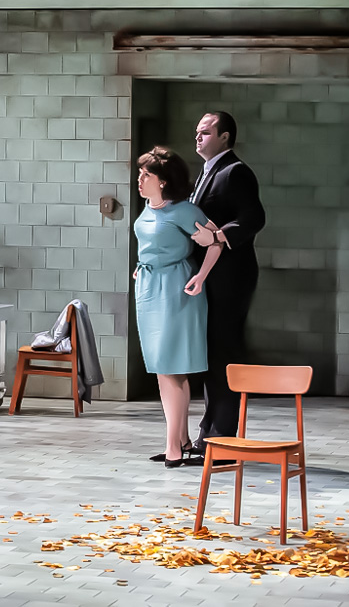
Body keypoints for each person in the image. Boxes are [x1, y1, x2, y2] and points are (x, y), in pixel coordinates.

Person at [132, 147, 222, 468]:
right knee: (162, 365)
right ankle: (181, 440)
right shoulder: (147, 208)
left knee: (171, 366)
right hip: (148, 288)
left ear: (164, 181)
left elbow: (216, 240)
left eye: (147, 175)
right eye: (140, 173)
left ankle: (173, 446)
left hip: (175, 288)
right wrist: (142, 266)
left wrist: (201, 276)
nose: (140, 179)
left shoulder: (184, 211)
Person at [187, 111, 267, 454]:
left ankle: (221, 438)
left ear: (225, 137)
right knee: (213, 353)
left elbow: (254, 217)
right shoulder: (207, 171)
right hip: (211, 278)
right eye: (197, 132)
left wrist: (219, 236)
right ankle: (208, 434)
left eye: (205, 132)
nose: (198, 137)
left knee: (225, 352)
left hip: (231, 278)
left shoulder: (235, 171)